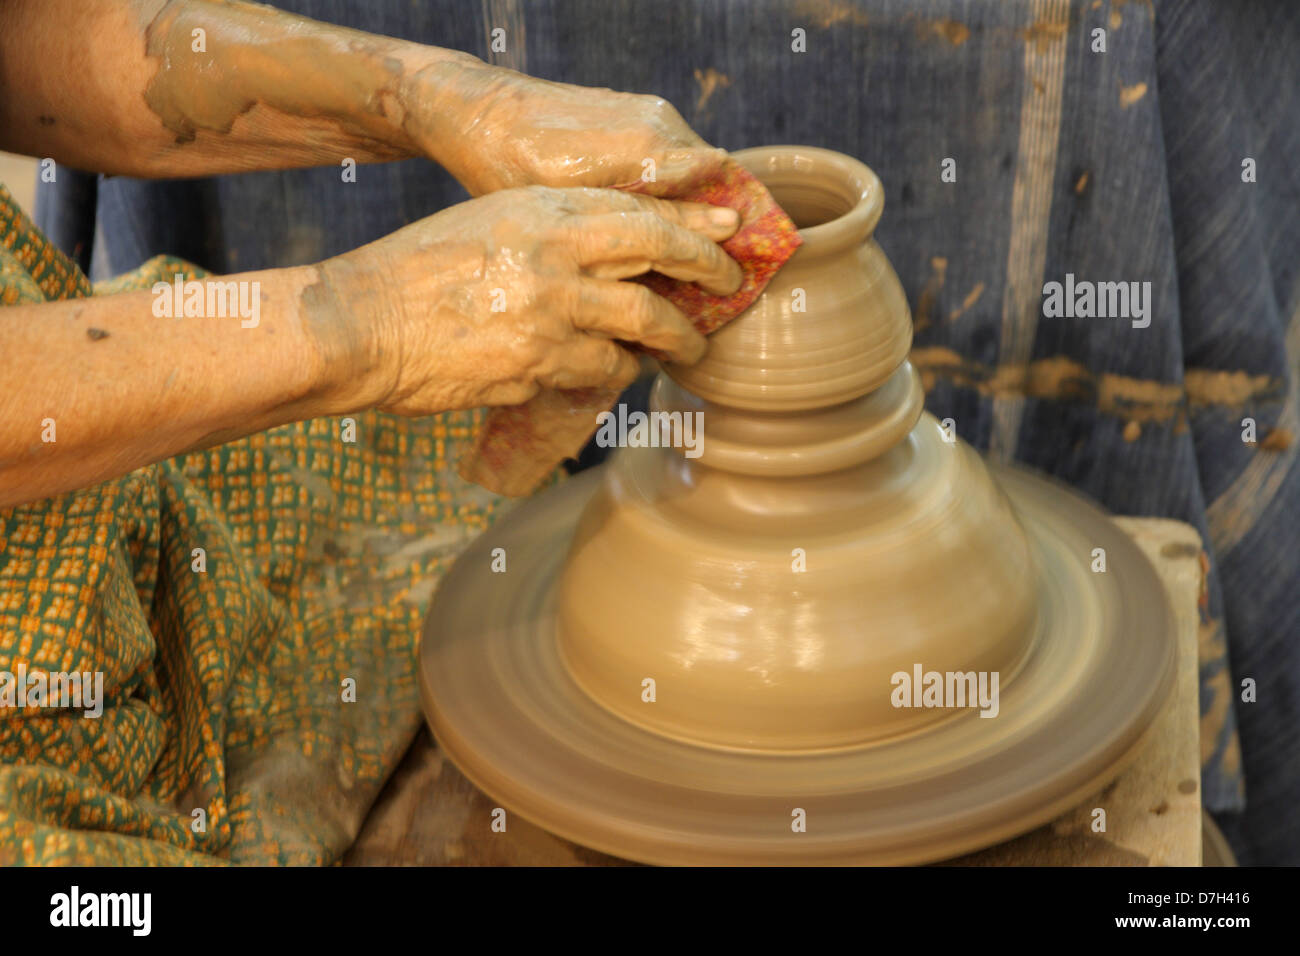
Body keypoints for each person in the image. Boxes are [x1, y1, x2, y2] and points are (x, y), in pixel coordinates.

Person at [0, 0, 740, 864]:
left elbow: (24, 43)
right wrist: (373, 320)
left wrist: (452, 100)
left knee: (456, 464)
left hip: (92, 491)